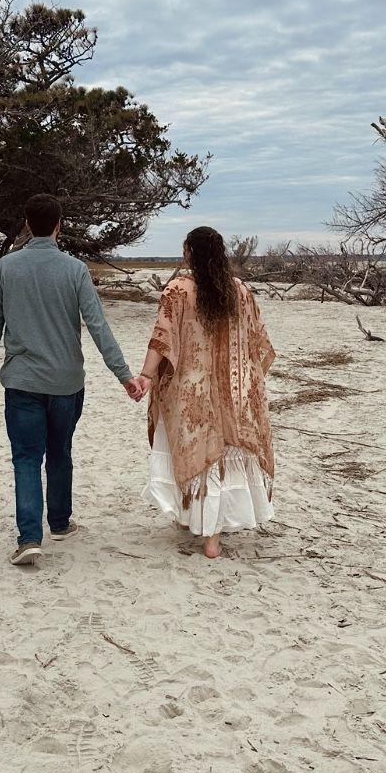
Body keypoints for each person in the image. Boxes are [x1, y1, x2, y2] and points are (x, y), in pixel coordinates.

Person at [0, 193, 146, 566]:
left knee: (25, 457)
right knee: (60, 451)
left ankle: (29, 538)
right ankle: (59, 521)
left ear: (26, 224)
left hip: (22, 381)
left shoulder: (7, 267)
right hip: (66, 382)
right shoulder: (75, 270)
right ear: (59, 225)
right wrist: (125, 376)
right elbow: (98, 327)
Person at [135, 226, 275, 558]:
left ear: (188, 253)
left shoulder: (178, 291)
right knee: (222, 456)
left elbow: (162, 338)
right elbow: (259, 342)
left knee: (198, 456)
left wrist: (146, 375)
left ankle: (205, 532)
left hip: (191, 392)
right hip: (234, 392)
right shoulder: (239, 291)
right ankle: (209, 533)